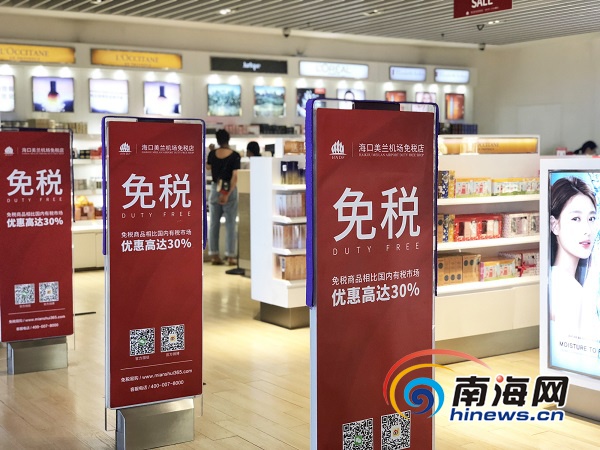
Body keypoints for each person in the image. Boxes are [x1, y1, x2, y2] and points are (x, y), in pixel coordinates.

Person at [549, 176, 600, 372]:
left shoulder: (554, 281)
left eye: (591, 218)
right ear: (555, 225)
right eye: (576, 219)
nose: (587, 230)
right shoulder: (572, 293)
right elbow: (585, 366)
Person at [206, 129, 241, 266]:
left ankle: (214, 255)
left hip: (215, 188)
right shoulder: (235, 156)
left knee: (214, 224)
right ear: (229, 139)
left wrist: (211, 151)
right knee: (230, 224)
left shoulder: (212, 154)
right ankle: (230, 256)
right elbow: (235, 177)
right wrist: (227, 193)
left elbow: (208, 167)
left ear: (217, 140)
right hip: (229, 189)